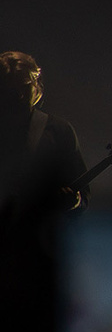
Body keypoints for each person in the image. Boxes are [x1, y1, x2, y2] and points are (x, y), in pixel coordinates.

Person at [0, 51, 84, 223]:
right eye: (13, 89)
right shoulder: (58, 130)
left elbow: (83, 197)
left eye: (24, 87)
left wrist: (74, 203)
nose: (20, 96)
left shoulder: (58, 131)